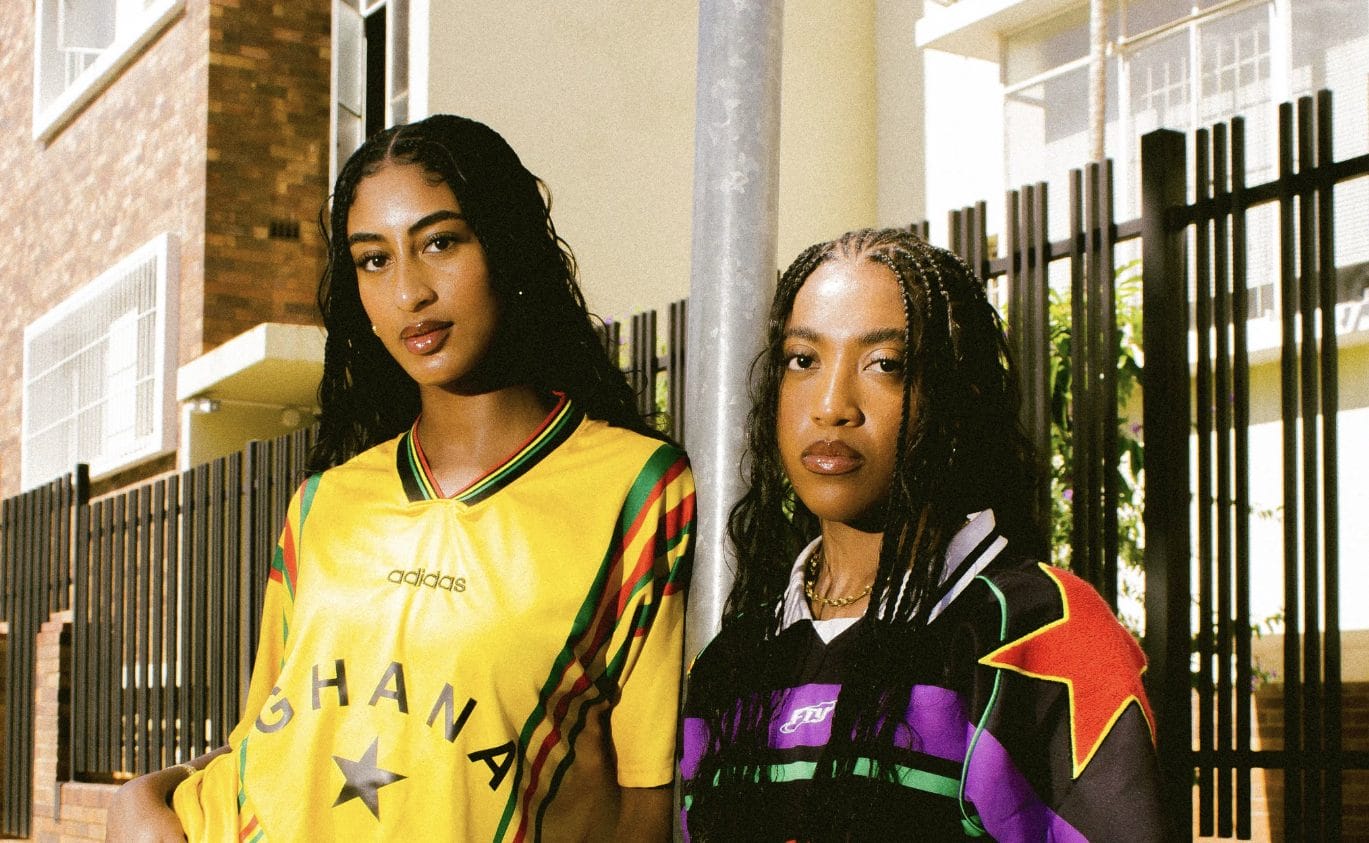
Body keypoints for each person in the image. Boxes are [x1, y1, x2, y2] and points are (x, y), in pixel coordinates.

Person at [107, 114, 695, 842]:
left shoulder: (637, 489)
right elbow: (269, 737)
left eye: (440, 242)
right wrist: (148, 795)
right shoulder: (323, 503)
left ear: (506, 244)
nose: (409, 291)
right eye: (373, 260)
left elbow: (644, 798)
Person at [679, 228, 1161, 841]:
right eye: (803, 360)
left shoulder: (1042, 635)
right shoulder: (732, 663)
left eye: (886, 365)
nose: (831, 405)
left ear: (958, 398)